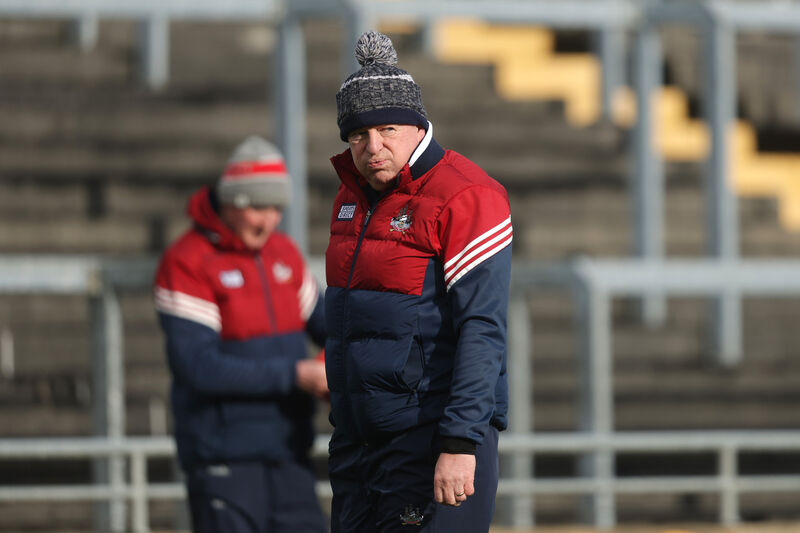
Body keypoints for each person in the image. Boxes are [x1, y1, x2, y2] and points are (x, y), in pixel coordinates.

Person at [324, 31, 513, 532]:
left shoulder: (468, 194)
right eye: (358, 136)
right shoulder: (350, 200)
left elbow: (482, 329)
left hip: (431, 441)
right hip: (358, 446)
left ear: (417, 125)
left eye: (387, 129)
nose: (373, 147)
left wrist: (458, 443)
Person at [153, 136, 329, 533]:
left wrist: (333, 365)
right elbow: (198, 366)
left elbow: (331, 328)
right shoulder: (187, 262)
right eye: (257, 208)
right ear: (231, 202)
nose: (268, 221)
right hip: (224, 453)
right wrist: (297, 375)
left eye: (276, 209)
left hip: (290, 450)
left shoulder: (283, 254)